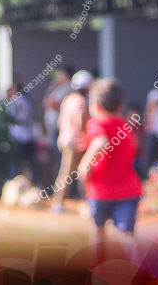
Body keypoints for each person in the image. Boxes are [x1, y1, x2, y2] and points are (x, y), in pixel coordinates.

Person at [79, 78, 143, 245]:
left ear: (97, 107)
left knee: (98, 233)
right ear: (121, 106)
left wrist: (85, 163)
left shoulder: (96, 124)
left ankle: (96, 270)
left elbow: (100, 141)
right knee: (126, 235)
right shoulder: (125, 127)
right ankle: (140, 268)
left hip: (100, 190)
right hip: (129, 190)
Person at [51, 69, 91, 213]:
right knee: (76, 172)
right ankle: (62, 202)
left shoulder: (68, 99)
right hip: (76, 143)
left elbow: (60, 121)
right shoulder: (81, 101)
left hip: (64, 139)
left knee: (66, 172)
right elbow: (82, 123)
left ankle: (59, 202)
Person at [4, 81, 36, 182]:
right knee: (28, 162)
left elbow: (15, 118)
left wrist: (6, 119)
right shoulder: (26, 100)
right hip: (28, 135)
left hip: (19, 136)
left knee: (18, 163)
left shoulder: (17, 101)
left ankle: (16, 183)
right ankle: (29, 182)